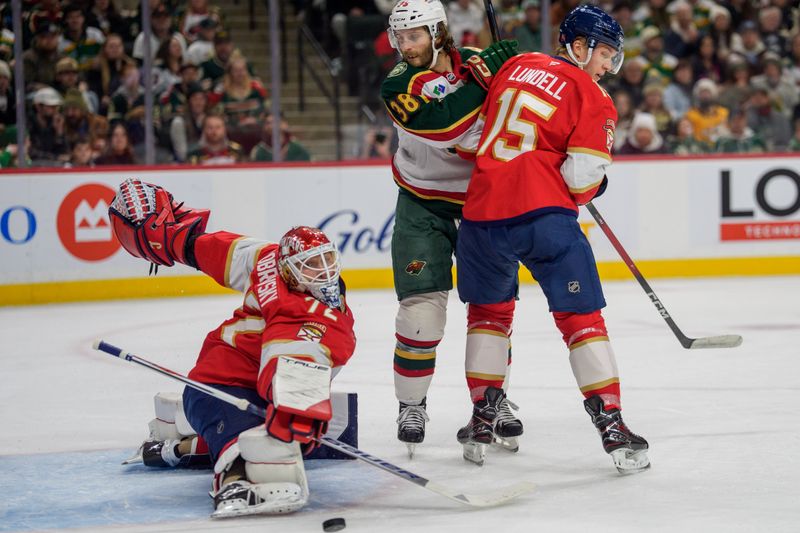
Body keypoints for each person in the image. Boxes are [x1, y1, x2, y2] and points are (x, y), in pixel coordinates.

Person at [454, 4, 650, 473]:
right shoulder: (594, 96)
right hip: (543, 217)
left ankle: (484, 416)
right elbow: (581, 181)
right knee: (582, 320)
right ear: (578, 46)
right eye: (603, 53)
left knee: (488, 316)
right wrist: (594, 184)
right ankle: (612, 424)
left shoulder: (516, 66)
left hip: (480, 217)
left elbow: (467, 142)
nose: (607, 65)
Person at [107, 178, 355, 518]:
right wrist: (298, 404)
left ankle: (178, 449)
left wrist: (178, 241)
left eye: (326, 259)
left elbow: (216, 250)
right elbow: (288, 353)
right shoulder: (295, 309)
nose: (323, 272)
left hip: (249, 385)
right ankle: (232, 482)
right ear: (290, 270)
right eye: (310, 265)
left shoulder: (269, 258)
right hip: (217, 386)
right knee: (251, 436)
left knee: (281, 435)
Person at [379, 0, 521, 459]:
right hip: (423, 204)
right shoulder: (397, 84)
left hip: (483, 202)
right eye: (400, 37)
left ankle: (490, 401)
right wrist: (484, 80)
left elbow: (521, 116)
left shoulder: (479, 62)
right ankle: (411, 405)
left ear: (439, 32)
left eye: (415, 35)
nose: (406, 46)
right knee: (420, 315)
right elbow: (442, 124)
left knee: (493, 311)